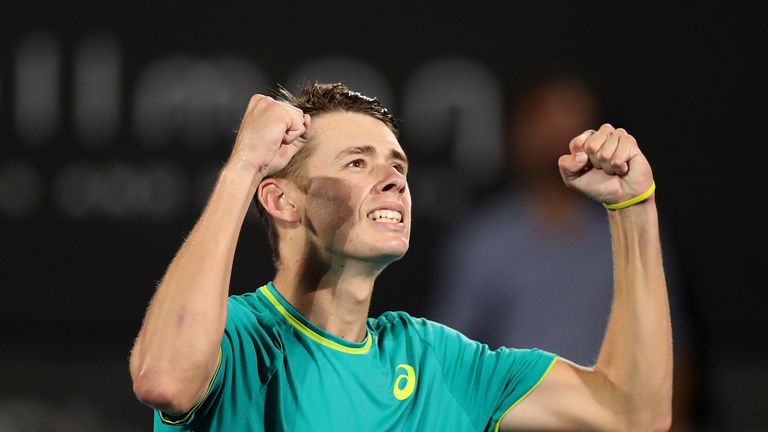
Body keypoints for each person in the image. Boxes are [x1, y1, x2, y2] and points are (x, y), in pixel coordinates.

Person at [129, 82, 672, 431]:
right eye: (357, 162)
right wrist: (243, 168)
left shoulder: (438, 363)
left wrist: (634, 209)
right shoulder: (240, 340)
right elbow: (164, 380)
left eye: (398, 166)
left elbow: (632, 414)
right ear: (283, 201)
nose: (393, 180)